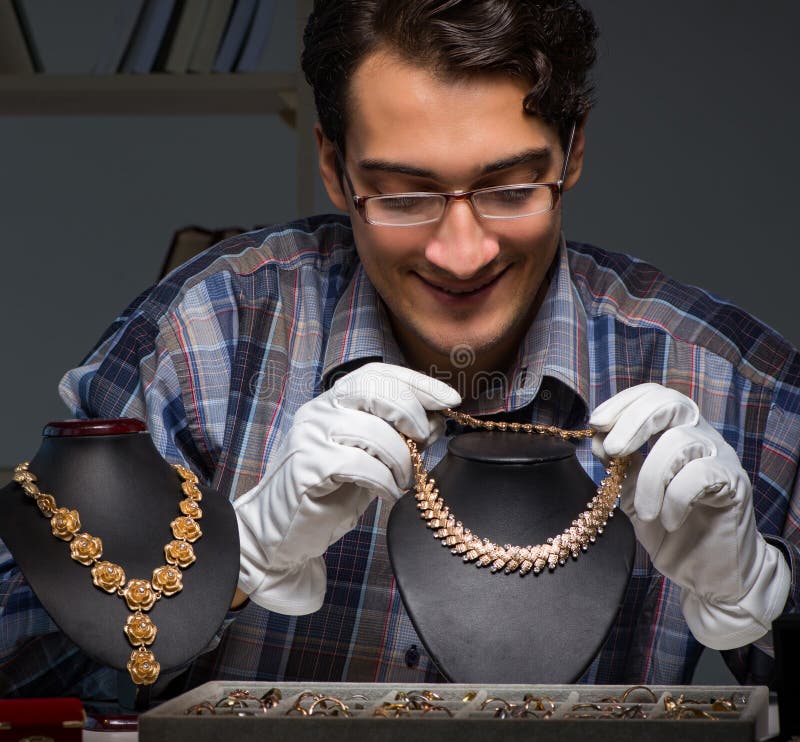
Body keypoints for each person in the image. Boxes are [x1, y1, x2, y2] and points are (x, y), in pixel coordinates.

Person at [2, 0, 798, 704]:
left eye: (512, 189)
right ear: (334, 168)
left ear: (573, 154)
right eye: (404, 196)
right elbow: (15, 658)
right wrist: (226, 567)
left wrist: (765, 599)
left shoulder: (732, 382)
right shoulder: (205, 332)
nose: (461, 253)